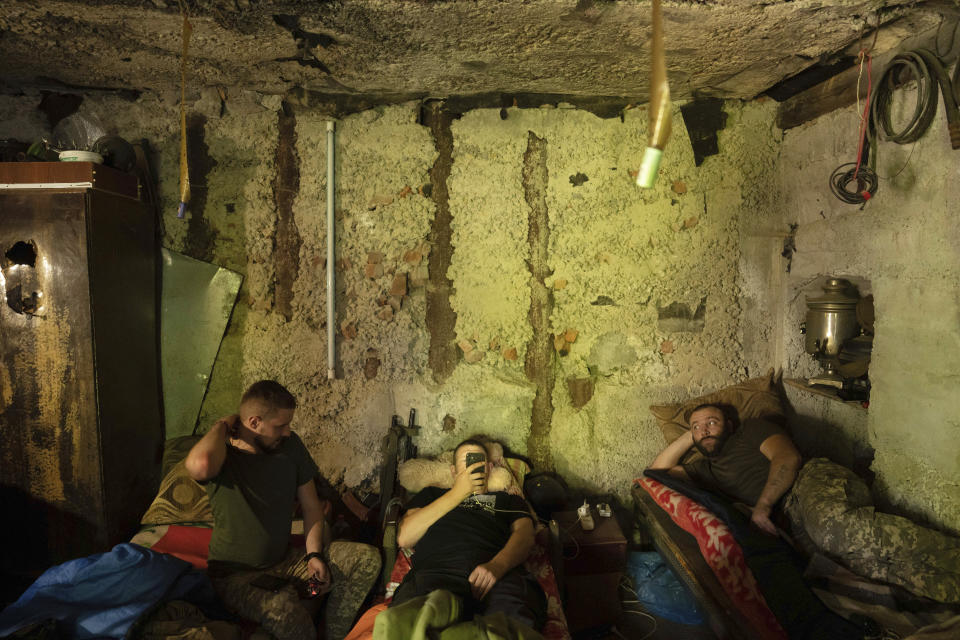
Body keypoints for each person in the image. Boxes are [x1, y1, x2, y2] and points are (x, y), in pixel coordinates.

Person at [185, 380, 380, 640]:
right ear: (253, 423)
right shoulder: (224, 456)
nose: (287, 432)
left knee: (365, 559)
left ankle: (332, 634)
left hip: (286, 562)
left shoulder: (290, 446)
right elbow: (200, 464)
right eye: (280, 426)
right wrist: (223, 423)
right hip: (236, 576)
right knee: (283, 606)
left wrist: (314, 556)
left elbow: (312, 507)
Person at [390, 438, 547, 630]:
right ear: (454, 472)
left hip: (497, 576)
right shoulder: (431, 495)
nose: (472, 471)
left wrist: (497, 566)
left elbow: (525, 536)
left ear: (489, 468)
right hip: (436, 575)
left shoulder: (507, 499)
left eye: (477, 464)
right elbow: (405, 538)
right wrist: (458, 493)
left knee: (513, 623)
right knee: (410, 623)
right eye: (465, 467)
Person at [648, 403, 802, 535]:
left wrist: (764, 505)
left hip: (800, 488)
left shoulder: (750, 430)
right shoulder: (703, 469)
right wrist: (694, 435)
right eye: (696, 427)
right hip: (782, 520)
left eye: (712, 423)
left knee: (825, 531)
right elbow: (656, 473)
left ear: (729, 425)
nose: (704, 431)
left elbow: (788, 457)